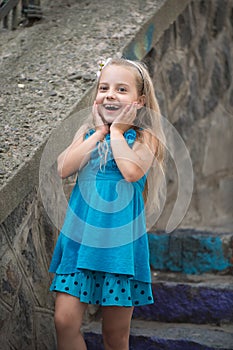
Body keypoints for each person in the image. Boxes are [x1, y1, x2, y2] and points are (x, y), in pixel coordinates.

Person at [49, 57, 166, 350]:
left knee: (114, 337)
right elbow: (63, 167)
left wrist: (116, 132)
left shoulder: (144, 139)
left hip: (119, 250)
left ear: (139, 101)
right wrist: (100, 132)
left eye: (121, 89)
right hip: (80, 243)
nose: (110, 94)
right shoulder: (88, 134)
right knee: (64, 322)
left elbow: (131, 171)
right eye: (104, 87)